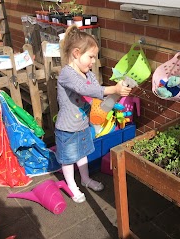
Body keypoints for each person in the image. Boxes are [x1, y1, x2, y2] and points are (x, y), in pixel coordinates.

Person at [55, 25, 132, 203]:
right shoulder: (67, 74)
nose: (93, 62)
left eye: (94, 58)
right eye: (90, 57)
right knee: (68, 159)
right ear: (76, 53)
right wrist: (113, 88)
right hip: (67, 128)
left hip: (82, 124)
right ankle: (72, 185)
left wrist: (117, 93)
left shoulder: (87, 73)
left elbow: (97, 91)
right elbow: (86, 90)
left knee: (82, 154)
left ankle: (85, 179)